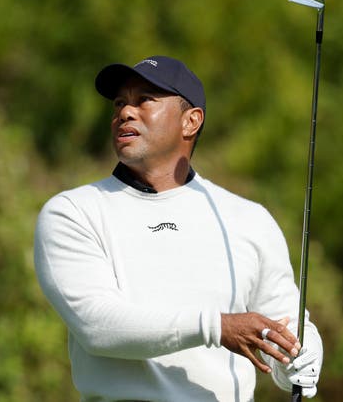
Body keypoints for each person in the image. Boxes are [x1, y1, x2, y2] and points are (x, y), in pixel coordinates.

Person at [34, 55, 323, 402]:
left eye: (144, 100)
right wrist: (217, 327)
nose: (125, 112)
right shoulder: (73, 211)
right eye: (120, 103)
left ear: (191, 121)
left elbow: (286, 327)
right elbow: (97, 326)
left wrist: (298, 361)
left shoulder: (250, 219)